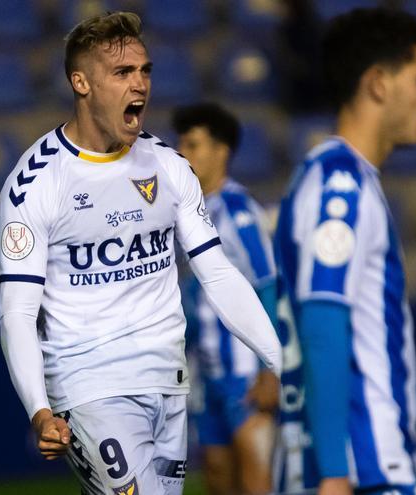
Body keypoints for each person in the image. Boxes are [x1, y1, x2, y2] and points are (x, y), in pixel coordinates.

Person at [0, 12, 282, 495]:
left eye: (145, 71)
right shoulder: (34, 185)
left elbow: (219, 275)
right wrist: (39, 408)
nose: (141, 85)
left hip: (169, 386)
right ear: (80, 82)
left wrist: (280, 362)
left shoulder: (169, 167)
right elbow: (18, 312)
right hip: (90, 390)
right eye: (123, 73)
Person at [272, 8, 416, 495]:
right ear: (378, 83)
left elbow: (370, 350)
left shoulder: (339, 180)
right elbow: (322, 328)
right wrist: (334, 474)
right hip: (362, 475)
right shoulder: (341, 189)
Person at [172, 103, 280, 495]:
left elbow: (267, 284)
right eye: (181, 144)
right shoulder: (188, 213)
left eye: (193, 144)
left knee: (255, 480)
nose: (182, 153)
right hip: (208, 371)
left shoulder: (238, 210)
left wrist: (271, 368)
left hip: (245, 371)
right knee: (217, 477)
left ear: (221, 151)